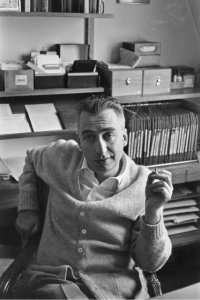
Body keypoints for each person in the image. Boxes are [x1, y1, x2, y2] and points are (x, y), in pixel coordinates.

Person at [15, 95, 173, 299]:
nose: (101, 149)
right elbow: (30, 157)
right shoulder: (61, 156)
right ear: (79, 140)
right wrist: (27, 207)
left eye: (108, 135)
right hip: (53, 280)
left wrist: (153, 212)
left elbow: (151, 263)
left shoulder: (144, 184)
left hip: (115, 288)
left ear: (124, 137)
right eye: (89, 137)